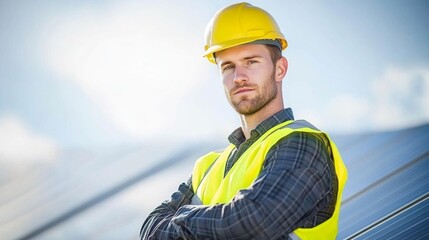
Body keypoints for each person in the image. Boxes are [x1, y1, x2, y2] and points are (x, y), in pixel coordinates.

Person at [140, 2, 347, 239]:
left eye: (251, 61)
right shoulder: (206, 167)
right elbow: (150, 230)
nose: (239, 77)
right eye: (228, 67)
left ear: (280, 69)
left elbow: (251, 224)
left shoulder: (303, 144)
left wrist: (182, 221)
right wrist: (217, 219)